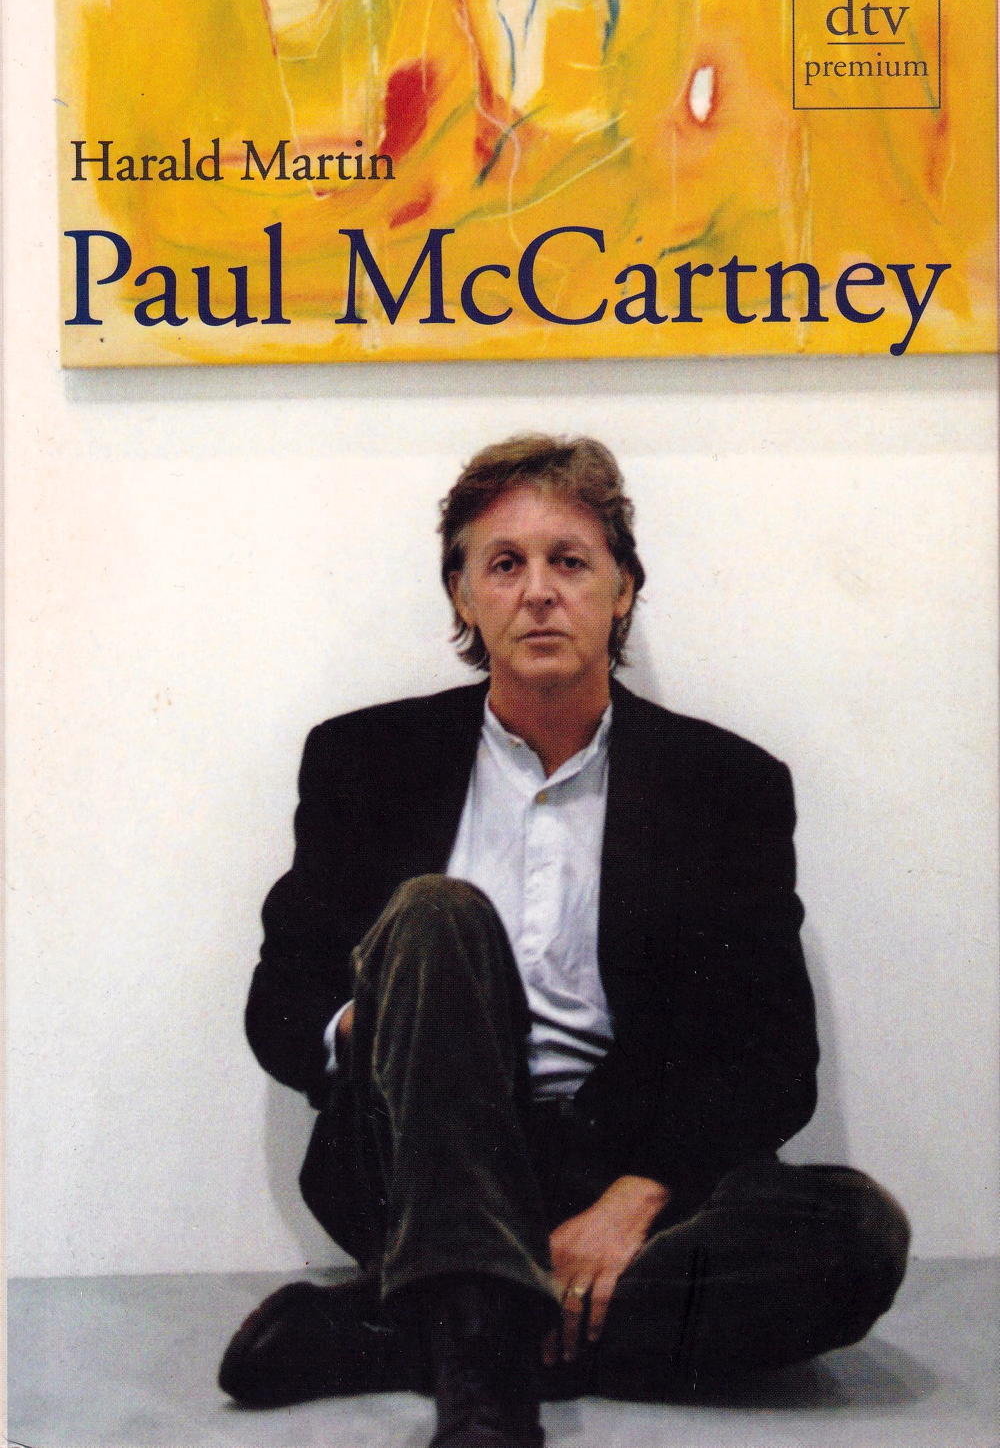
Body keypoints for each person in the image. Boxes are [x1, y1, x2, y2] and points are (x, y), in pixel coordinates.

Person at [219, 435, 910, 1448]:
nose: (538, 591)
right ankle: (487, 1393)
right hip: (412, 1166)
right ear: (462, 596)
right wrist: (383, 1023)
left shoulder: (725, 785)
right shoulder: (366, 759)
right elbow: (280, 1005)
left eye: (570, 561)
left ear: (622, 591)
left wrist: (635, 1196)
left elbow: (772, 1056)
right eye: (504, 563)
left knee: (856, 1235)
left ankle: (402, 1330)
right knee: (437, 914)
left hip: (615, 1166)